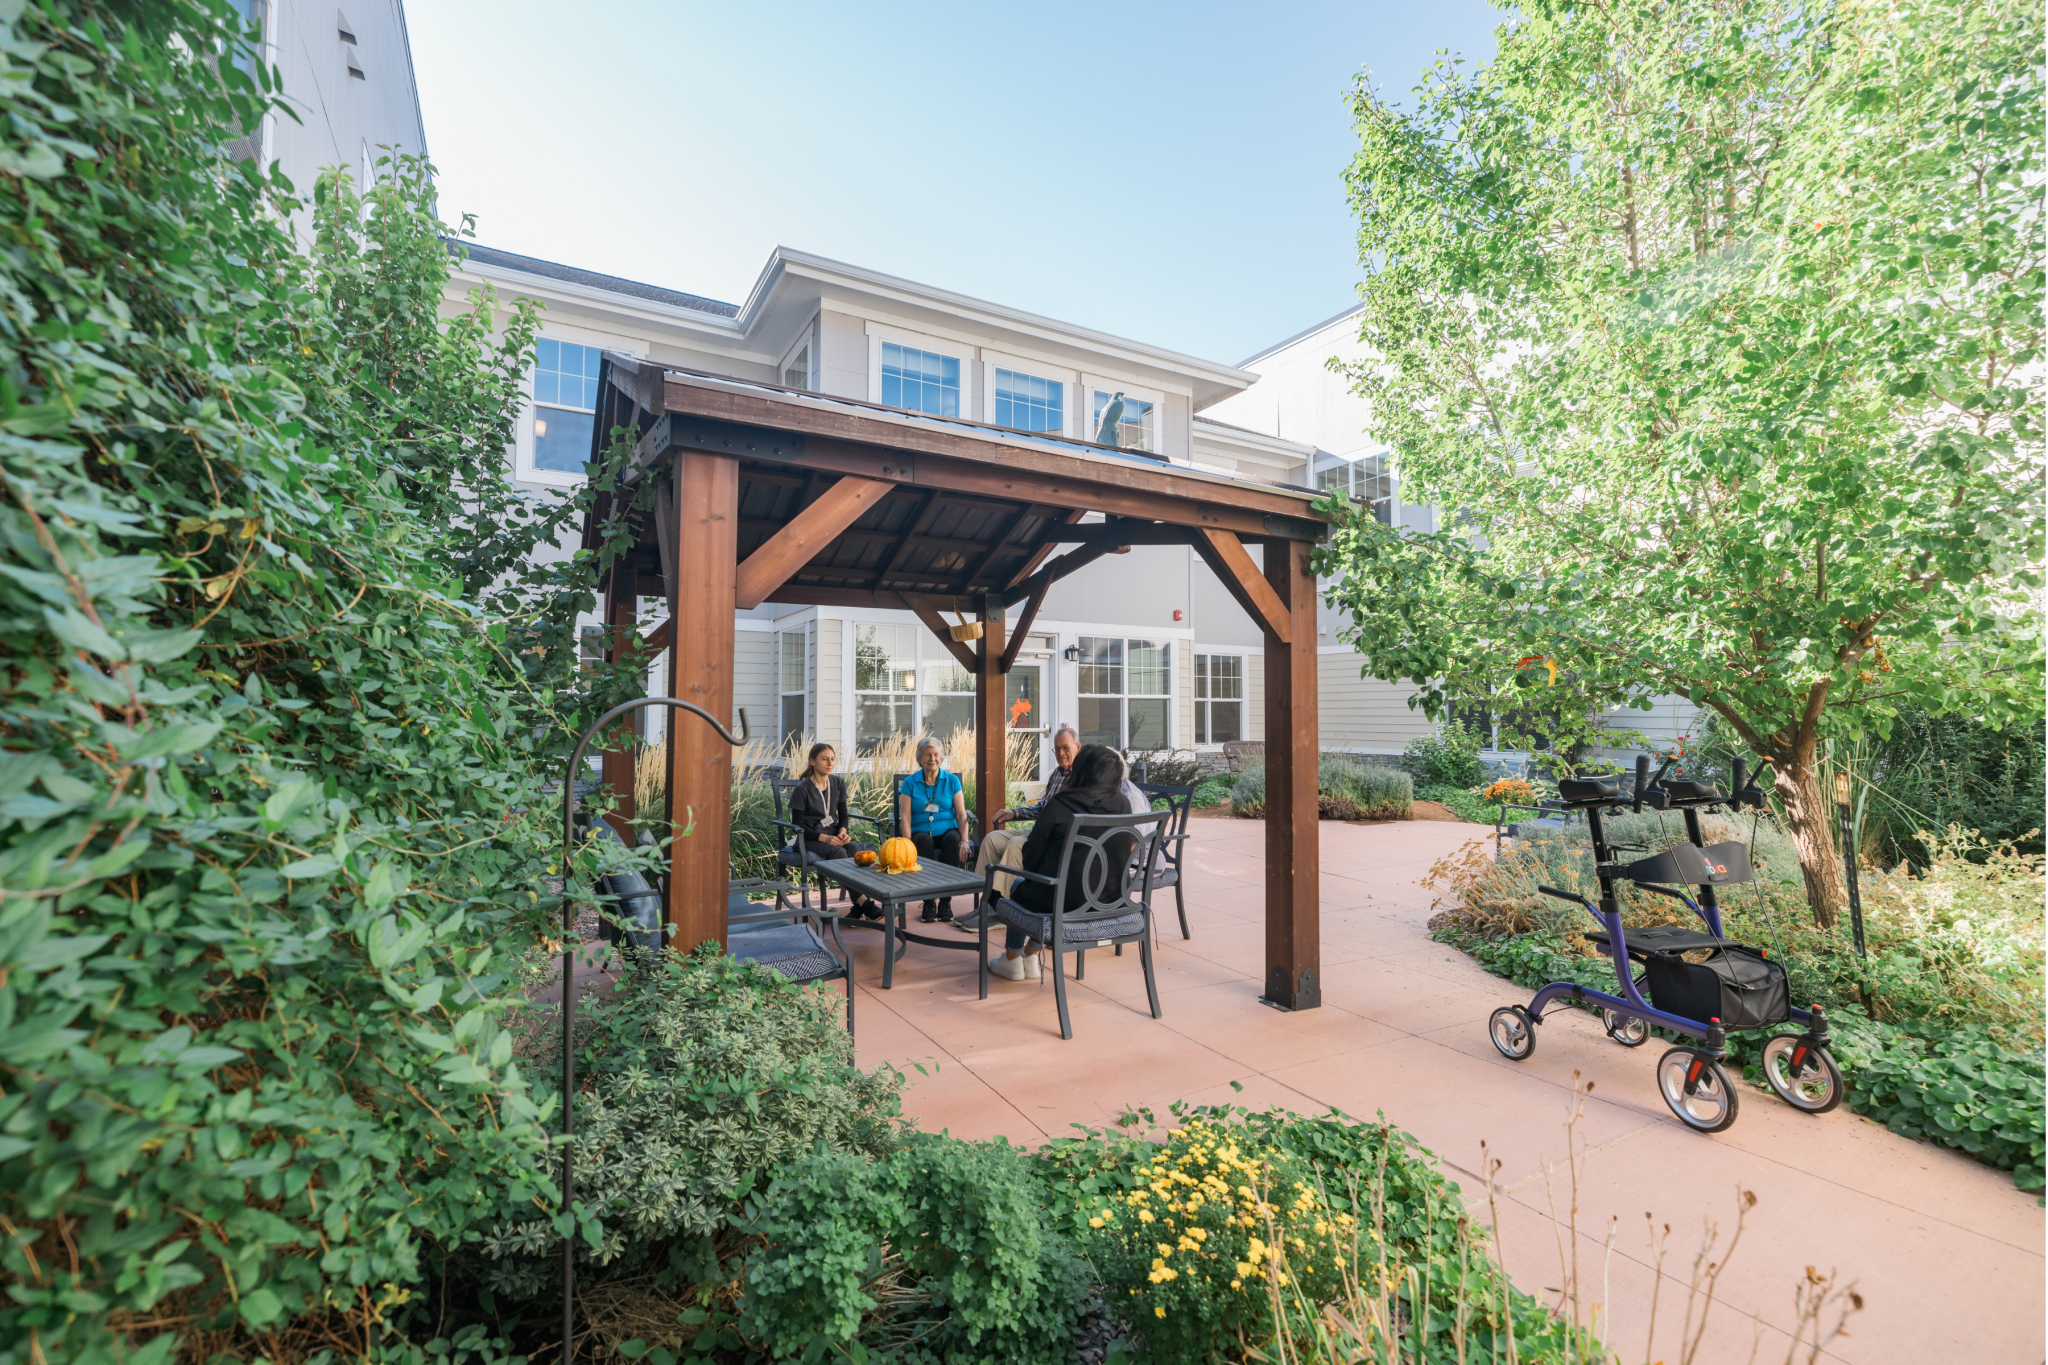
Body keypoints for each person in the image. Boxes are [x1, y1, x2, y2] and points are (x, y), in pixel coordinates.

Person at [987, 744, 1139, 981]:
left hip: (1065, 906)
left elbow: (1031, 856)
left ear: (1081, 771)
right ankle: (1030, 955)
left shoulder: (1061, 805)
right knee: (1050, 890)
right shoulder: (1123, 804)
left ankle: (1011, 959)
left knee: (1020, 885)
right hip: (1111, 903)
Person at [955, 724, 1080, 933]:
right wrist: (1014, 813)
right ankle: (985, 903)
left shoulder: (1082, 778)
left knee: (1015, 845)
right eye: (1057, 749)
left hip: (1052, 840)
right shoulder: (1057, 774)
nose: (1061, 753)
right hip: (1036, 832)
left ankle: (1004, 911)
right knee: (992, 839)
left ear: (1078, 746)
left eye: (1066, 748)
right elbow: (1042, 807)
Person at [786, 743, 882, 920]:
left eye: (832, 759)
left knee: (854, 849)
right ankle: (866, 904)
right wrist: (825, 838)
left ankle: (859, 907)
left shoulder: (838, 783)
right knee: (839, 852)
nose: (830, 763)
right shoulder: (802, 789)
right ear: (812, 761)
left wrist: (843, 832)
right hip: (808, 839)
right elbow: (797, 825)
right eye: (825, 759)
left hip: (833, 834)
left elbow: (843, 816)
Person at [897, 736, 969, 922]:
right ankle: (929, 901)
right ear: (920, 758)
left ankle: (945, 900)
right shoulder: (910, 783)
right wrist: (907, 844)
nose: (932, 758)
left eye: (936, 754)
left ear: (941, 757)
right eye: (927, 755)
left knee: (953, 839)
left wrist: (964, 839)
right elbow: (905, 816)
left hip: (947, 830)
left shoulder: (952, 781)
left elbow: (961, 815)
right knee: (922, 841)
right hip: (920, 831)